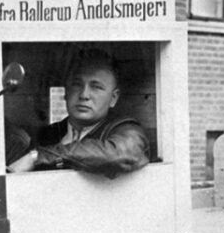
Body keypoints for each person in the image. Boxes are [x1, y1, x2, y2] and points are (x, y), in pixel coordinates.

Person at [8, 50, 150, 177]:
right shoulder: (46, 135)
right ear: (65, 91)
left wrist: (38, 156)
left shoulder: (127, 129)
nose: (84, 95)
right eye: (77, 84)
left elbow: (124, 153)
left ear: (113, 98)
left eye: (96, 87)